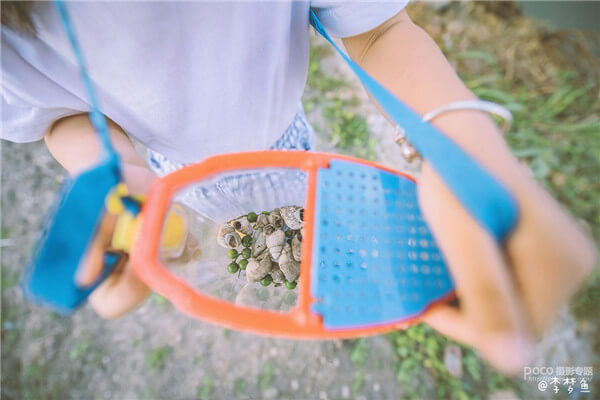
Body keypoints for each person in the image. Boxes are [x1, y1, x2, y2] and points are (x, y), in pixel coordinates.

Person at [1, 1, 595, 375]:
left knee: (291, 175)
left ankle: (298, 220)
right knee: (218, 212)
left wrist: (462, 143)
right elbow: (56, 114)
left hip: (282, 133)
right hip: (176, 172)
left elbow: (379, 27)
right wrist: (119, 174)